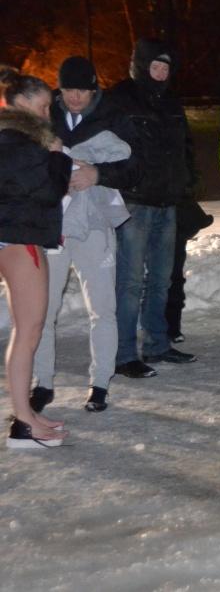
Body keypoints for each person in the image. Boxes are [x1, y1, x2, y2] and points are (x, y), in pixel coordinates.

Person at [31, 56, 139, 414]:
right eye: (68, 90)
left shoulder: (113, 115)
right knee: (42, 309)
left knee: (102, 308)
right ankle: (42, 383)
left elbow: (135, 167)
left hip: (94, 225)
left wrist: (98, 174)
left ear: (94, 90)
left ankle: (100, 383)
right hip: (52, 226)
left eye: (82, 90)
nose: (75, 97)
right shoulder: (45, 114)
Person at [107, 38, 198, 378]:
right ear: (140, 66)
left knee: (161, 279)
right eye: (155, 66)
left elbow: (185, 146)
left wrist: (187, 182)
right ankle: (124, 354)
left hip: (168, 201)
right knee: (130, 282)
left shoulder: (171, 101)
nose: (160, 73)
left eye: (165, 68)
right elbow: (106, 146)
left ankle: (157, 344)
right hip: (135, 203)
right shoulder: (119, 98)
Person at [0, 80, 73, 447]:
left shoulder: (14, 140)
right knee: (28, 331)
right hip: (20, 240)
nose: (48, 114)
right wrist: (58, 156)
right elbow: (48, 191)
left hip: (19, 237)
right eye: (42, 106)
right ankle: (23, 423)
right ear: (19, 102)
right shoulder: (16, 141)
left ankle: (25, 414)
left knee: (28, 330)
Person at [164, 196, 214, 345]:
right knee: (168, 279)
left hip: (173, 214)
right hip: (154, 211)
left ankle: (171, 329)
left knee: (172, 279)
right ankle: (167, 330)